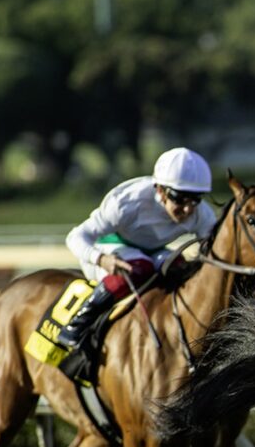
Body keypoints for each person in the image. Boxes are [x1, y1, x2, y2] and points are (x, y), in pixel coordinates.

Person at [57, 147, 217, 349]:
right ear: (160, 190)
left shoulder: (201, 214)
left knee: (179, 266)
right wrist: (101, 259)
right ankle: (77, 323)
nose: (187, 209)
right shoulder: (127, 202)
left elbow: (213, 253)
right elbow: (75, 237)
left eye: (195, 199)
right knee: (141, 267)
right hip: (110, 248)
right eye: (180, 198)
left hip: (152, 251)